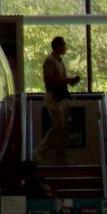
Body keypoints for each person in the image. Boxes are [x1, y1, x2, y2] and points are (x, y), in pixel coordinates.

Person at [33, 36, 80, 165]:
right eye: (64, 45)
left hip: (61, 97)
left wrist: (68, 81)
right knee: (58, 126)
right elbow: (48, 79)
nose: (65, 48)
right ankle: (39, 151)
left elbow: (60, 79)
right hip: (53, 97)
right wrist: (66, 80)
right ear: (58, 46)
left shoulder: (60, 61)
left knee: (63, 128)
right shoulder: (50, 60)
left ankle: (61, 156)